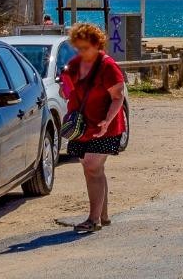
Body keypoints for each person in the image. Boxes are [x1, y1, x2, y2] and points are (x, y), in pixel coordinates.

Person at [58, 22, 127, 233]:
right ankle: (102, 215)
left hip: (104, 126)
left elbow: (118, 97)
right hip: (81, 127)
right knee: (93, 170)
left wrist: (107, 120)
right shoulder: (75, 64)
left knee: (92, 166)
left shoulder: (108, 66)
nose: (81, 52)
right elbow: (67, 91)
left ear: (97, 44)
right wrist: (65, 89)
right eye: (78, 47)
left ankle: (93, 219)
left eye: (85, 47)